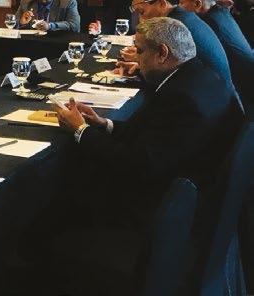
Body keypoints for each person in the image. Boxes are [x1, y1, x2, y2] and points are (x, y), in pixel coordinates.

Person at [52, 17, 243, 223]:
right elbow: (154, 134)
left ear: (162, 53)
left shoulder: (181, 99)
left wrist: (81, 129)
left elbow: (139, 164)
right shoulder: (202, 75)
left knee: (62, 192)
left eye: (140, 51)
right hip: (191, 182)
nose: (136, 58)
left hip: (162, 205)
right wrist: (104, 124)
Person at [118, 0, 234, 90]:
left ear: (162, 3)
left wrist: (141, 60)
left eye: (142, 12)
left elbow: (168, 70)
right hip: (216, 91)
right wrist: (141, 63)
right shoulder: (182, 15)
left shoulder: (173, 26)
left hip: (205, 94)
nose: (140, 19)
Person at [178, 0, 254, 108]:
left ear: (197, 4)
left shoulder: (208, 23)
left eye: (181, 2)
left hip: (241, 90)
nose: (178, 6)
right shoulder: (220, 10)